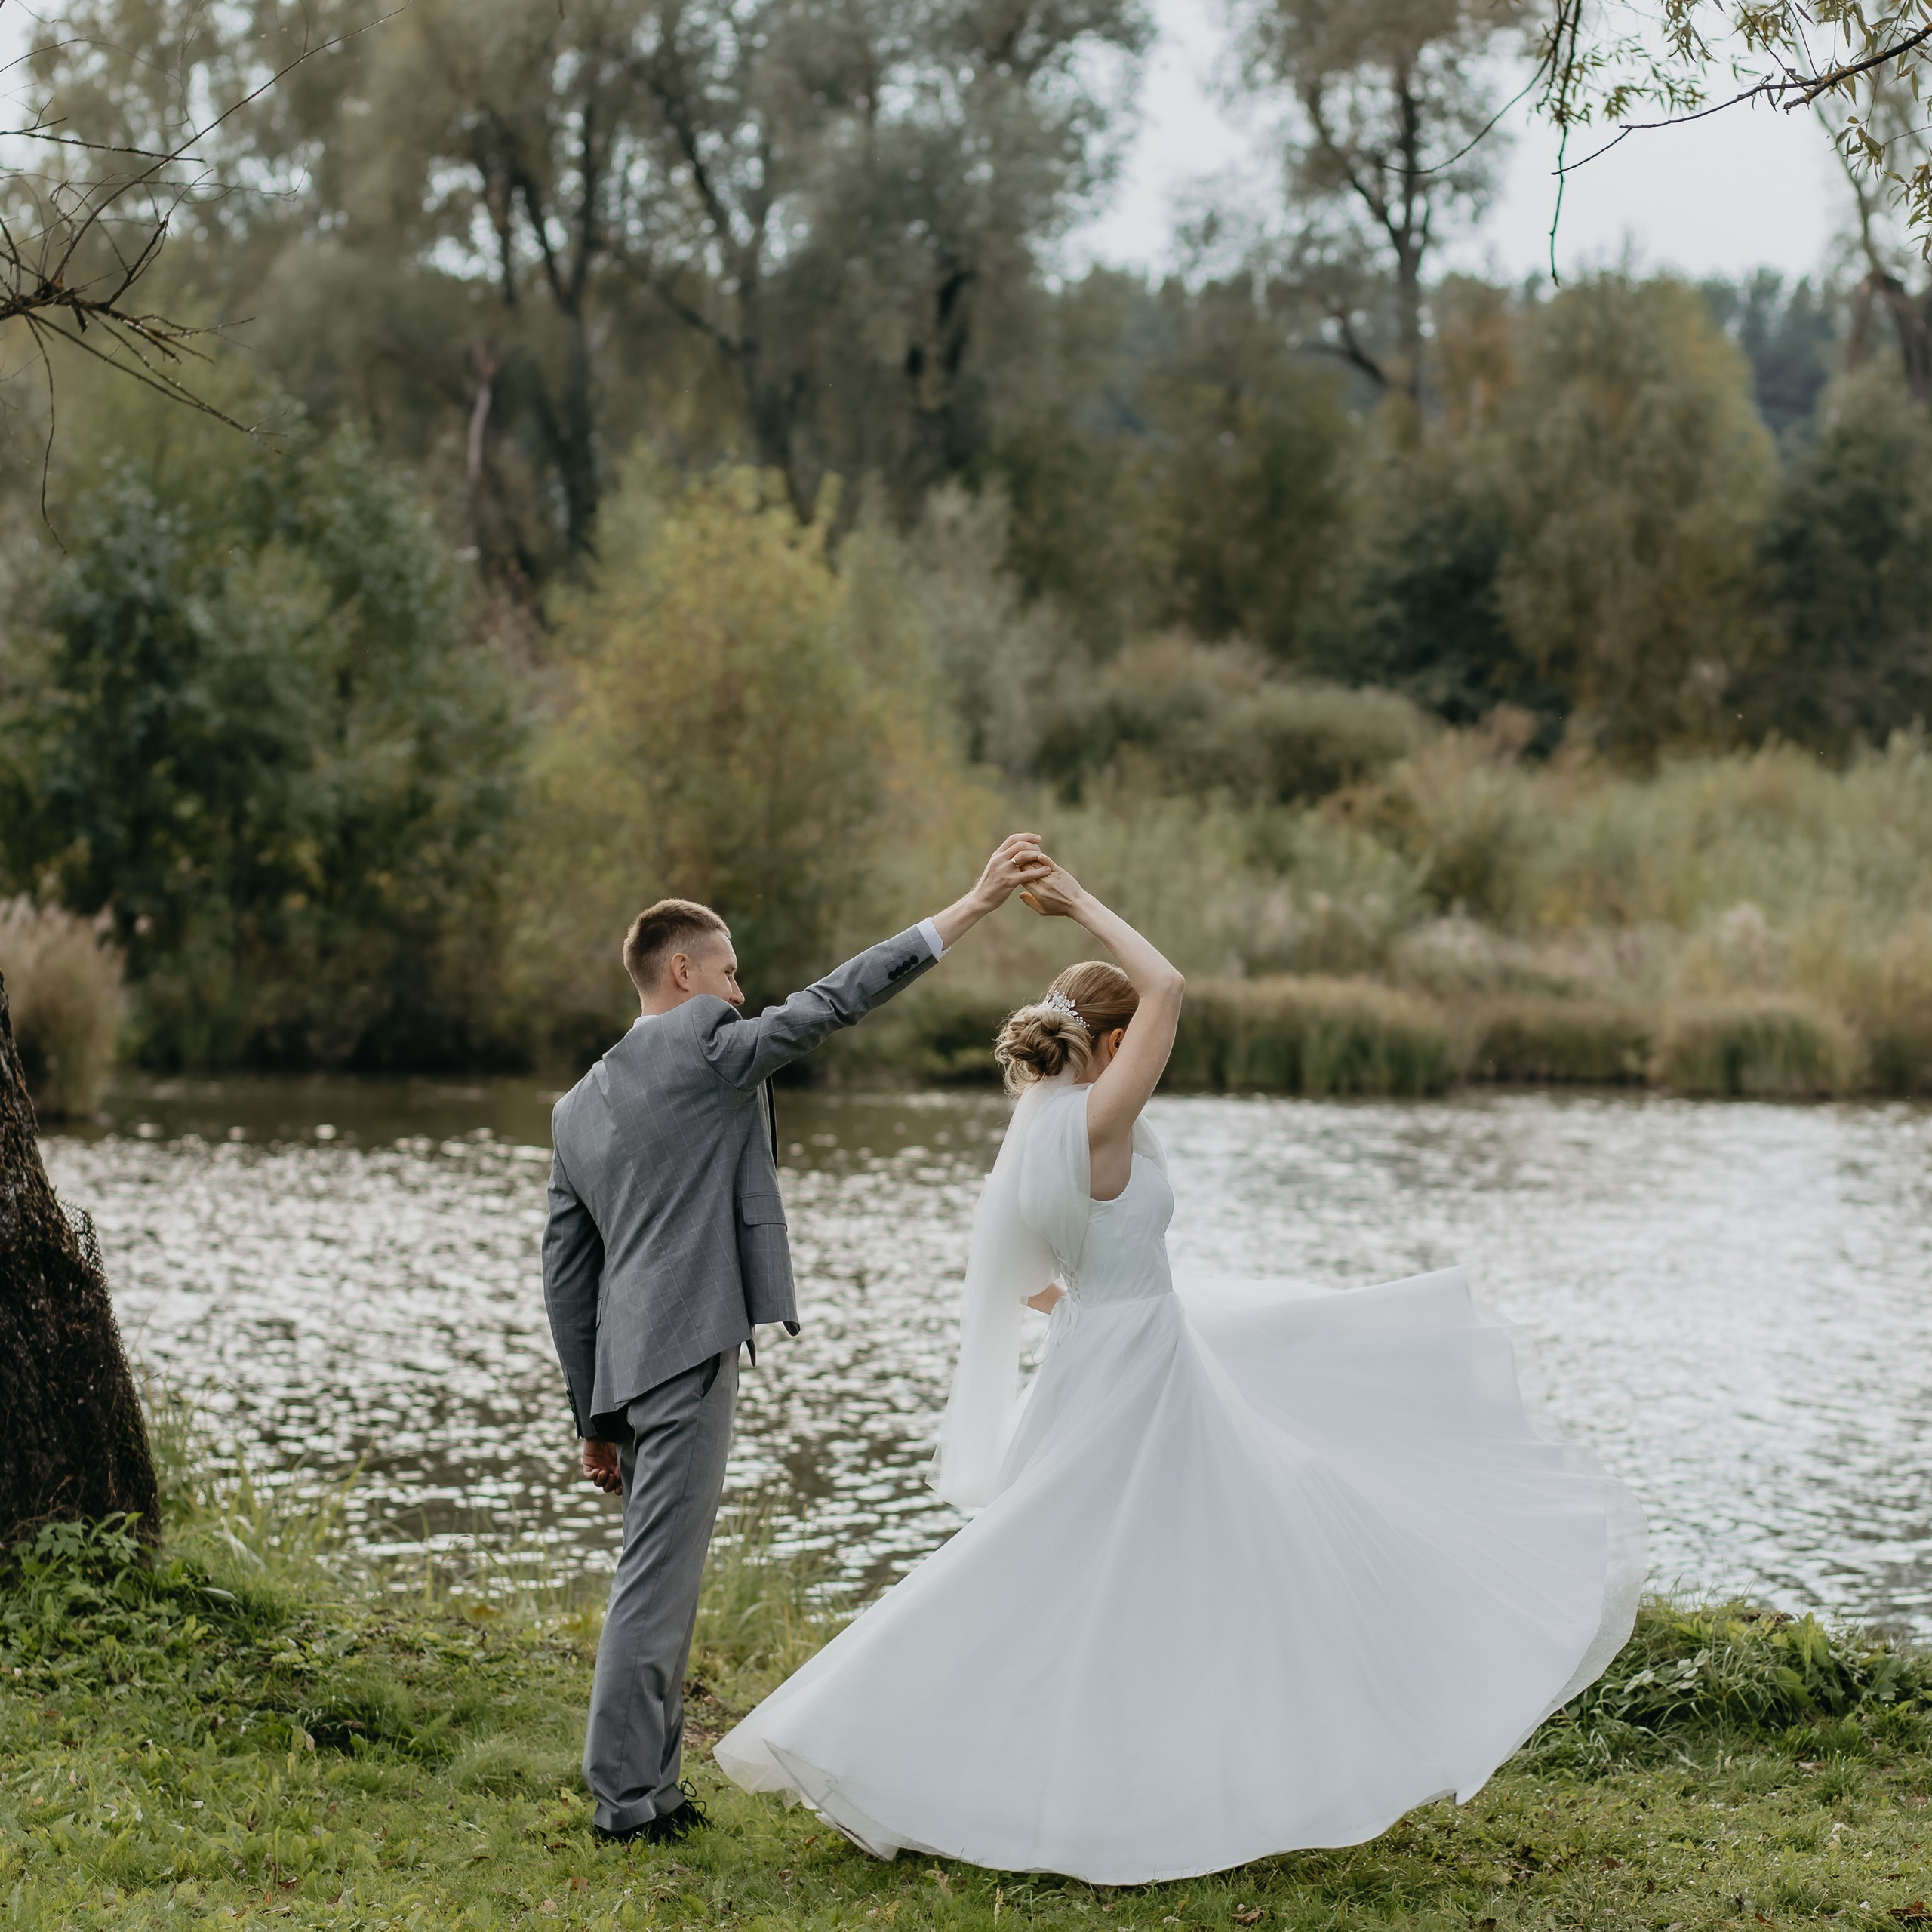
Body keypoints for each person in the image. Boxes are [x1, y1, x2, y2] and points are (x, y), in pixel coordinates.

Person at [715, 860, 1646, 1884]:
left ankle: (1091, 1761)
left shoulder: (1034, 1134)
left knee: (1084, 1570)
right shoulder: (1103, 1123)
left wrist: (1095, 1309)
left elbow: (1025, 1282)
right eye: (1132, 1046)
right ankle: (904, 1738)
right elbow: (1170, 986)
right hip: (1141, 1361)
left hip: (1092, 1353)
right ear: (1112, 1048)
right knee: (1135, 1562)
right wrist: (1078, 903)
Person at [543, 834, 1053, 1844]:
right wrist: (970, 907)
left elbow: (569, 1279)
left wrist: (589, 1416)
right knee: (657, 1583)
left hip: (629, 1367)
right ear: (683, 972)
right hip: (686, 1355)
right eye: (729, 974)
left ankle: (652, 1787)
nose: (742, 996)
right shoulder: (706, 1050)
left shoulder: (577, 1106)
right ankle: (624, 1802)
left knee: (660, 1573)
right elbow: (838, 998)